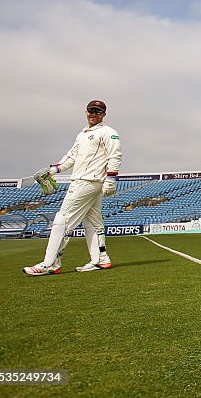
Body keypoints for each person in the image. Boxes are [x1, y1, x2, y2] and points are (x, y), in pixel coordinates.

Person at [24, 100, 121, 275]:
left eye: (98, 111)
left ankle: (50, 263)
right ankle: (101, 259)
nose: (94, 114)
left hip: (87, 182)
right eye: (91, 111)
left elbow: (115, 156)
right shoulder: (82, 134)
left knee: (63, 220)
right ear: (86, 112)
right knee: (92, 221)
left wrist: (111, 179)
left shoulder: (108, 133)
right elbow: (71, 157)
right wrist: (53, 170)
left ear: (104, 114)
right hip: (86, 182)